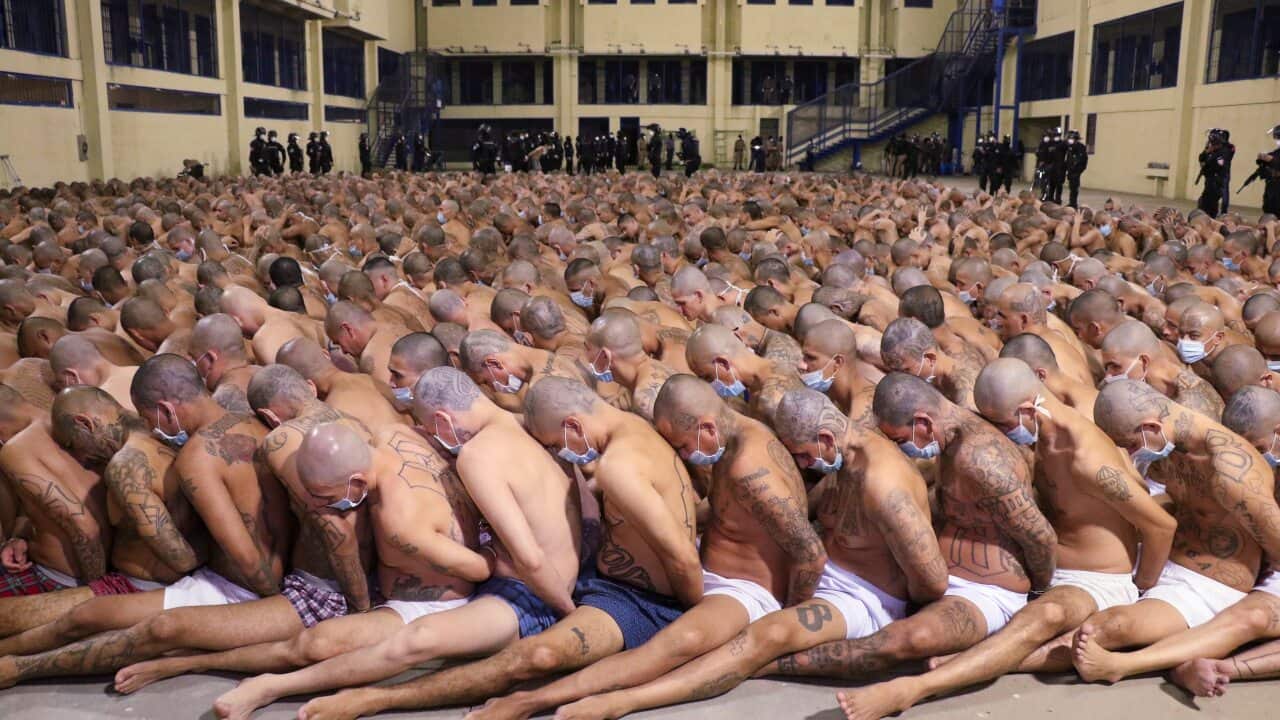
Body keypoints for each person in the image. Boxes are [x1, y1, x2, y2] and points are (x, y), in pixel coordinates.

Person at [302, 376, 701, 719]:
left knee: (459, 646)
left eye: (429, 427)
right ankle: (288, 684)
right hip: (587, 579)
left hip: (578, 592)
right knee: (368, 640)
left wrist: (693, 615)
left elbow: (530, 558)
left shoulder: (483, 456)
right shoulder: (604, 428)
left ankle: (374, 699)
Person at [831, 359, 1174, 720]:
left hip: (1094, 579)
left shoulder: (1086, 458)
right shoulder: (1037, 435)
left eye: (1002, 423)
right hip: (1045, 567)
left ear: (1028, 410)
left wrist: (1141, 588)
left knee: (1047, 614)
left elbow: (1160, 525)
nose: (998, 433)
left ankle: (913, 690)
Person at [1068, 385, 1280, 692]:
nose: (1130, 454)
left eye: (1130, 445)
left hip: (1213, 578)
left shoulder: (1231, 472)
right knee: (1084, 618)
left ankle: (1126, 666)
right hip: (1172, 560)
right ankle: (1183, 662)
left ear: (1151, 427)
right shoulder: (1170, 447)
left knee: (1107, 630)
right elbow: (1176, 501)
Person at [1199, 128, 1230, 216]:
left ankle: (1210, 219)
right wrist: (1206, 152)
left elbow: (1219, 166)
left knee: (1209, 204)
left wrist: (1208, 163)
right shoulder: (1211, 151)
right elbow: (1201, 158)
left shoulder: (1223, 152)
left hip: (1216, 182)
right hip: (1209, 180)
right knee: (1204, 202)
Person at [1064, 130, 1088, 208]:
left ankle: (1073, 203)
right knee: (1071, 187)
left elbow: (1082, 160)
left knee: (1074, 188)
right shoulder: (1069, 147)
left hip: (1076, 170)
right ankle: (1072, 202)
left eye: (1072, 138)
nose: (1070, 140)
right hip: (1070, 170)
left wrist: (1077, 170)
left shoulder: (1080, 147)